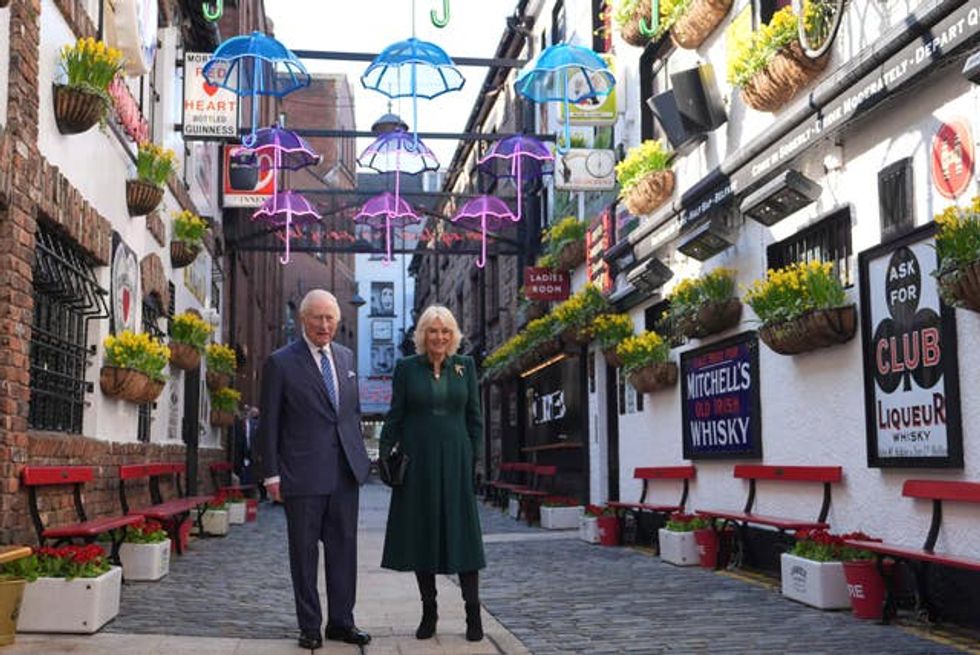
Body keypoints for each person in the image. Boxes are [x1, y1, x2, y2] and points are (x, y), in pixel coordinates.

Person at [256, 289, 372, 650]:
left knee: (343, 551)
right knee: (304, 555)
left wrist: (360, 459)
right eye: (317, 318)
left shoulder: (346, 356)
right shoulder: (281, 362)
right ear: (302, 320)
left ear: (338, 321)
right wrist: (271, 474)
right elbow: (270, 423)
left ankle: (342, 622)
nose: (324, 325)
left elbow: (350, 415)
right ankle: (310, 626)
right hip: (302, 475)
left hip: (344, 474)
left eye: (330, 318)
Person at [379, 305, 486, 642]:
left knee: (464, 536)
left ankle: (473, 611)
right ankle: (430, 611)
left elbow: (475, 419)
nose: (439, 337)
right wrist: (384, 456)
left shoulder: (465, 367)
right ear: (422, 335)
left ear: (453, 335)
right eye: (432, 330)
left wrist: (475, 461)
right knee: (422, 534)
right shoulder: (406, 369)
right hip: (418, 462)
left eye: (445, 331)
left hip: (456, 459)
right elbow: (395, 416)